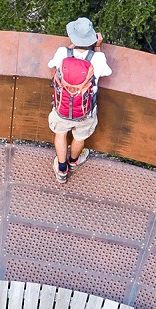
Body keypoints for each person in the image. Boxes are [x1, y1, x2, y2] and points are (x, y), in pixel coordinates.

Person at [46, 17, 110, 184]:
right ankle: (73, 162)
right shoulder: (98, 59)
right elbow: (107, 73)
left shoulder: (62, 53)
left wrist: (70, 48)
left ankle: (61, 169)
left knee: (60, 134)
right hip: (85, 112)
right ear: (92, 38)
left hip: (62, 108)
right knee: (80, 137)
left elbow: (52, 64)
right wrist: (97, 47)